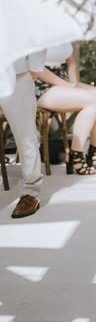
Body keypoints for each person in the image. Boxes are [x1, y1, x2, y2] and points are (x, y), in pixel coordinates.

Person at [32, 42, 96, 175]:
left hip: (63, 80)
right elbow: (36, 68)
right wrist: (67, 86)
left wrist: (74, 84)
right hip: (40, 85)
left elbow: (71, 61)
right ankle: (76, 155)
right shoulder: (36, 31)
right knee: (91, 100)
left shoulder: (63, 31)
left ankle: (93, 151)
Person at [1, 53, 45, 218]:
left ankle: (30, 193)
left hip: (16, 71)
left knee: (25, 135)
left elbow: (35, 29)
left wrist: (34, 67)